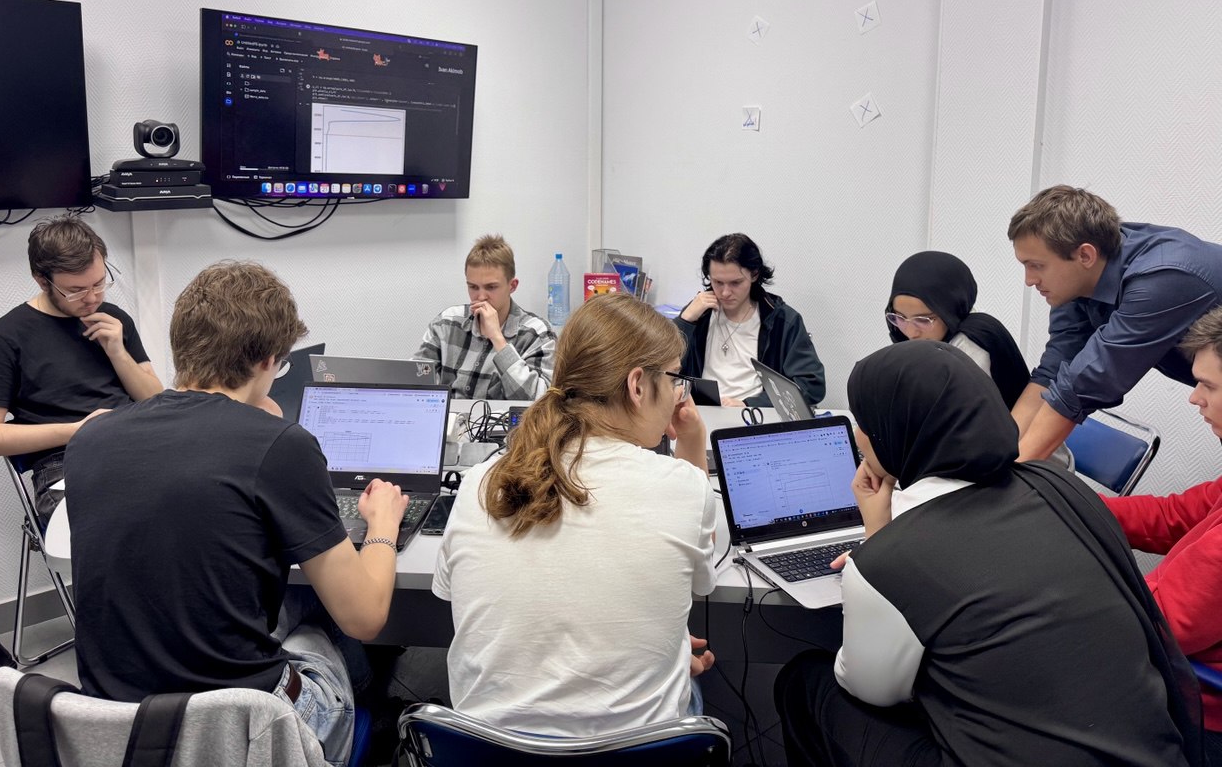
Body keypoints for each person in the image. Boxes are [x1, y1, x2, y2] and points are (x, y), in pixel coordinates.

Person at [775, 341, 1202, 767]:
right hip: (1155, 752)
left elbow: (870, 689)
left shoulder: (889, 561)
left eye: (865, 423)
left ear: (896, 431)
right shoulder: (1059, 487)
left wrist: (876, 542)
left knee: (806, 680)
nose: (857, 436)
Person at [67, 261, 408, 767]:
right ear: (269, 360)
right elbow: (366, 618)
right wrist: (382, 525)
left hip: (119, 729)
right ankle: (374, 716)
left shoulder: (90, 438)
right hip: (245, 731)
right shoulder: (281, 445)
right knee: (324, 613)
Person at [433, 292, 716, 735]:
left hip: (487, 751)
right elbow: (699, 574)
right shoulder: (684, 488)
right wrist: (693, 442)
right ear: (637, 386)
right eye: (676, 378)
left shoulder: (482, 483)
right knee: (688, 686)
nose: (680, 392)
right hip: (635, 755)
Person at [0, 215, 163, 521]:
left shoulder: (113, 319)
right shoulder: (2, 340)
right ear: (42, 281)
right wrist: (79, 430)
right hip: (65, 461)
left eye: (99, 283)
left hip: (137, 445)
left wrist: (118, 352)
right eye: (76, 290)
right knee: (126, 521)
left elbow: (155, 401)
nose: (92, 298)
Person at [1008, 185, 1222, 460]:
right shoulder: (1079, 283)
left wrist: (1011, 474)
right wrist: (1000, 454)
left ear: (1085, 255)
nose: (1029, 280)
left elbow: (1084, 386)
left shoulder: (1162, 279)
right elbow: (1054, 371)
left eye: (1037, 265)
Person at [1104, 307, 1222, 764]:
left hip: (1202, 715)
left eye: (1208, 386)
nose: (1194, 398)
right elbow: (1173, 516)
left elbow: (1158, 622)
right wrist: (1071, 502)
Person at [676, 232, 824, 407]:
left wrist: (749, 404)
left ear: (754, 275)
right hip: (700, 411)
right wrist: (685, 321)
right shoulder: (698, 313)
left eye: (735, 283)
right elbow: (661, 368)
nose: (725, 292)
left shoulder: (782, 320)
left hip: (755, 413)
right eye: (718, 282)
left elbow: (811, 385)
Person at [414, 234, 555, 400]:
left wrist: (498, 339)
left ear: (512, 286)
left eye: (491, 287)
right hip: (451, 416)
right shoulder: (446, 323)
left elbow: (541, 401)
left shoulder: (537, 334)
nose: (481, 297)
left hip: (502, 418)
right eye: (473, 287)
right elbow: (415, 378)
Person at [885, 250, 1029, 408]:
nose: (911, 332)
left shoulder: (969, 345)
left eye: (923, 320)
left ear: (949, 311)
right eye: (900, 317)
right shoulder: (933, 340)